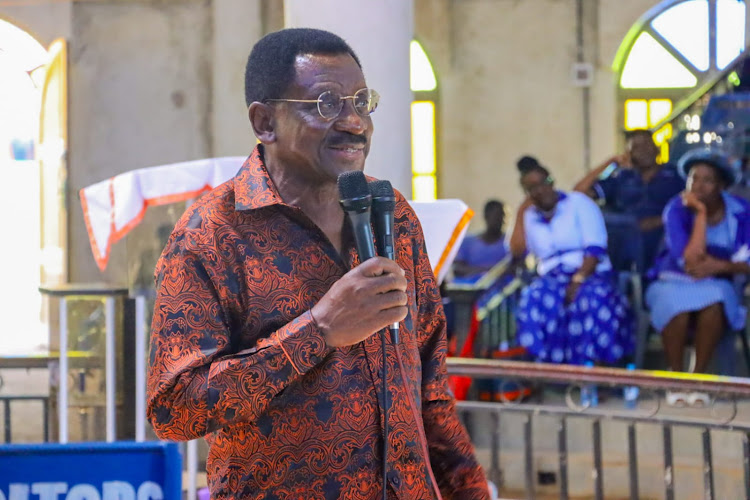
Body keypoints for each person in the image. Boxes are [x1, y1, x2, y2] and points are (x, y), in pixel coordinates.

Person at [146, 28, 488, 499]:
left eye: (362, 102)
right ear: (265, 122)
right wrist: (319, 329)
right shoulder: (211, 236)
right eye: (326, 104)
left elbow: (430, 390)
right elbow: (174, 408)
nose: (355, 123)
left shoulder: (393, 215)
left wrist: (469, 491)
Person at [646, 149, 750, 403]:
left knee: (714, 304)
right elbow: (690, 262)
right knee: (676, 307)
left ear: (722, 185)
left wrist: (720, 266)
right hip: (671, 280)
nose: (699, 185)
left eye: (708, 180)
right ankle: (677, 380)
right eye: (694, 178)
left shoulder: (742, 212)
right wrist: (701, 214)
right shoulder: (676, 209)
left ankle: (697, 379)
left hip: (717, 283)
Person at [509, 156, 634, 365]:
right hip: (551, 276)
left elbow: (594, 247)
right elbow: (517, 252)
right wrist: (521, 212)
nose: (540, 190)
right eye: (532, 188)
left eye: (543, 183)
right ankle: (547, 368)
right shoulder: (529, 215)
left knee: (589, 298)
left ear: (551, 181)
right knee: (534, 297)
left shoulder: (578, 203)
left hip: (589, 272)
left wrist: (578, 279)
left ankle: (593, 370)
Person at [573, 130, 685, 272]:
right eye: (636, 147)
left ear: (657, 149)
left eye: (647, 144)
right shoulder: (621, 177)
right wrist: (611, 162)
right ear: (629, 154)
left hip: (663, 232)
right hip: (624, 234)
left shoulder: (675, 174)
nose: (644, 150)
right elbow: (578, 193)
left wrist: (661, 220)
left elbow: (687, 204)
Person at [452, 199, 508, 284]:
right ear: (486, 216)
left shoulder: (510, 244)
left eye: (505, 216)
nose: (503, 220)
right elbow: (457, 269)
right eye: (498, 216)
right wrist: (488, 272)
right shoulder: (468, 242)